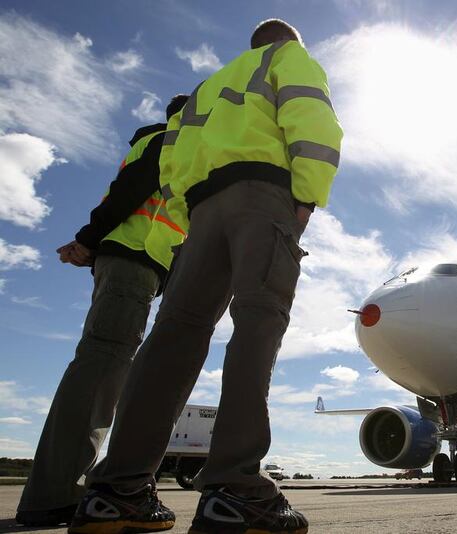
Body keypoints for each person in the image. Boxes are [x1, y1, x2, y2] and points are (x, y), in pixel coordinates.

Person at [71, 18, 342, 534]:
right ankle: (235, 488)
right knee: (258, 323)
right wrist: (305, 196)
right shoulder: (288, 59)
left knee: (175, 333)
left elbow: (170, 158)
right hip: (263, 196)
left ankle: (117, 489)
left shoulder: (207, 89)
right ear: (290, 41)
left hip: (201, 209)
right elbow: (314, 122)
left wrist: (188, 209)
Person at [15, 95, 189, 527]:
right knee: (101, 370)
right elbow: (132, 194)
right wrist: (89, 239)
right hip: (133, 260)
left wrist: (92, 247)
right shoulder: (172, 141)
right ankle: (56, 495)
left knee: (103, 369)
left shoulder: (162, 142)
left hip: (133, 264)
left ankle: (59, 491)